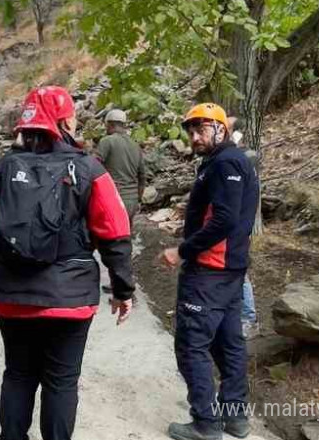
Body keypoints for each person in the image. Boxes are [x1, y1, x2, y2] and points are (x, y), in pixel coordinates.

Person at [0, 86, 135, 440]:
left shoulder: (1, 170)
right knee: (61, 382)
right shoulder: (88, 169)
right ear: (64, 121)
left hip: (11, 299)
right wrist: (123, 290)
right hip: (69, 299)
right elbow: (115, 233)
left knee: (17, 374)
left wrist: (0, 274)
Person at [159, 103, 259, 440]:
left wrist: (183, 250)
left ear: (221, 129)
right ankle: (235, 417)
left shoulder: (226, 162)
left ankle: (206, 423)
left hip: (210, 273)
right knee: (229, 343)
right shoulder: (225, 161)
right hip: (229, 272)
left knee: (192, 345)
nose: (194, 137)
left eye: (202, 129)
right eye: (190, 131)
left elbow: (224, 219)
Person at [227, 117, 259, 339]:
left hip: (238, 231)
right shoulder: (239, 158)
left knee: (241, 273)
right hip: (234, 229)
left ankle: (249, 318)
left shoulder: (245, 159)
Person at [97, 109, 146, 225]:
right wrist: (138, 198)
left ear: (110, 124)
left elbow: (94, 165)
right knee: (126, 235)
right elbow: (142, 177)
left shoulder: (107, 141)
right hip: (132, 202)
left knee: (110, 239)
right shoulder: (135, 146)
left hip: (114, 200)